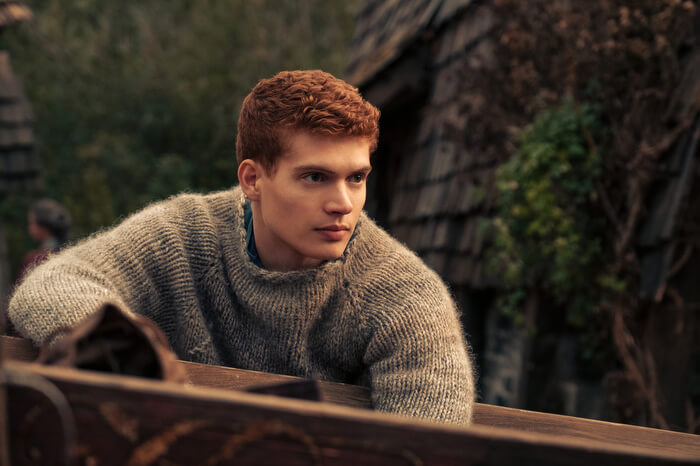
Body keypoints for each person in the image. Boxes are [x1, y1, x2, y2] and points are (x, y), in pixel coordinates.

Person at [9, 70, 475, 424]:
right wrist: (133, 359)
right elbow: (55, 283)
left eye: (356, 177)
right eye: (315, 177)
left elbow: (430, 444)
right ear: (252, 179)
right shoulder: (184, 234)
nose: (343, 203)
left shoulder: (405, 297)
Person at [15, 198, 71, 284]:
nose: (29, 228)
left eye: (31, 223)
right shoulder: (69, 255)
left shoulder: (34, 259)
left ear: (43, 226)